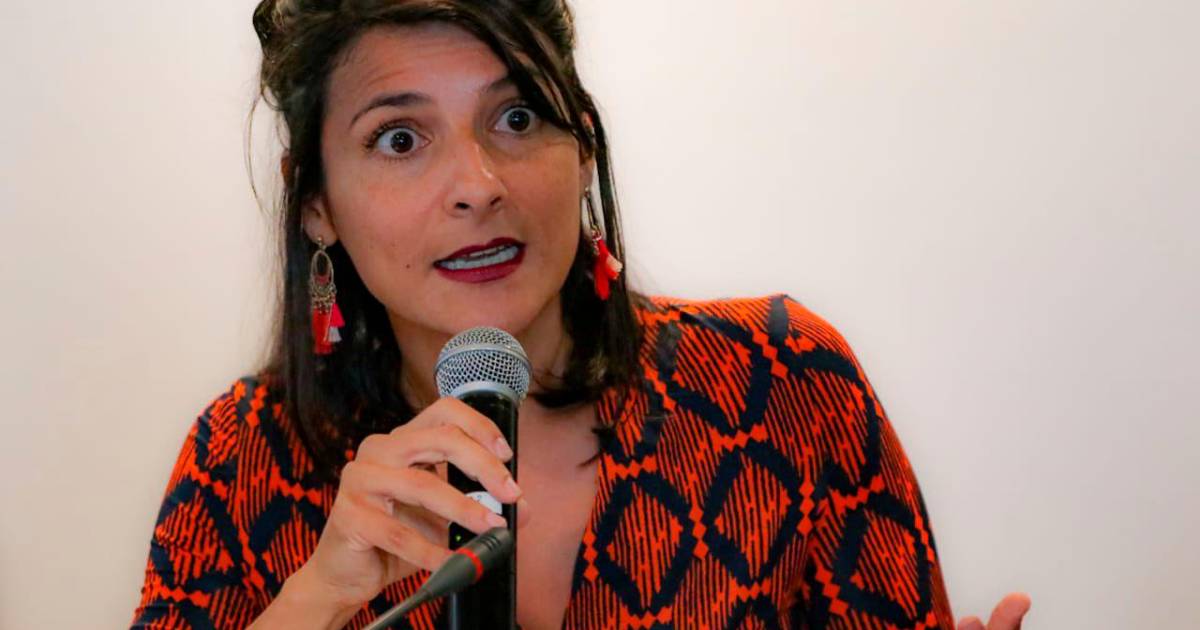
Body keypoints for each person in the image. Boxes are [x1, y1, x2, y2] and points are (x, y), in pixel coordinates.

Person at [131, 1, 1030, 628]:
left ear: (583, 146)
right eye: (400, 139)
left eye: (518, 117)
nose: (479, 185)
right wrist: (319, 598)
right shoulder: (240, 462)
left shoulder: (782, 385)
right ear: (317, 203)